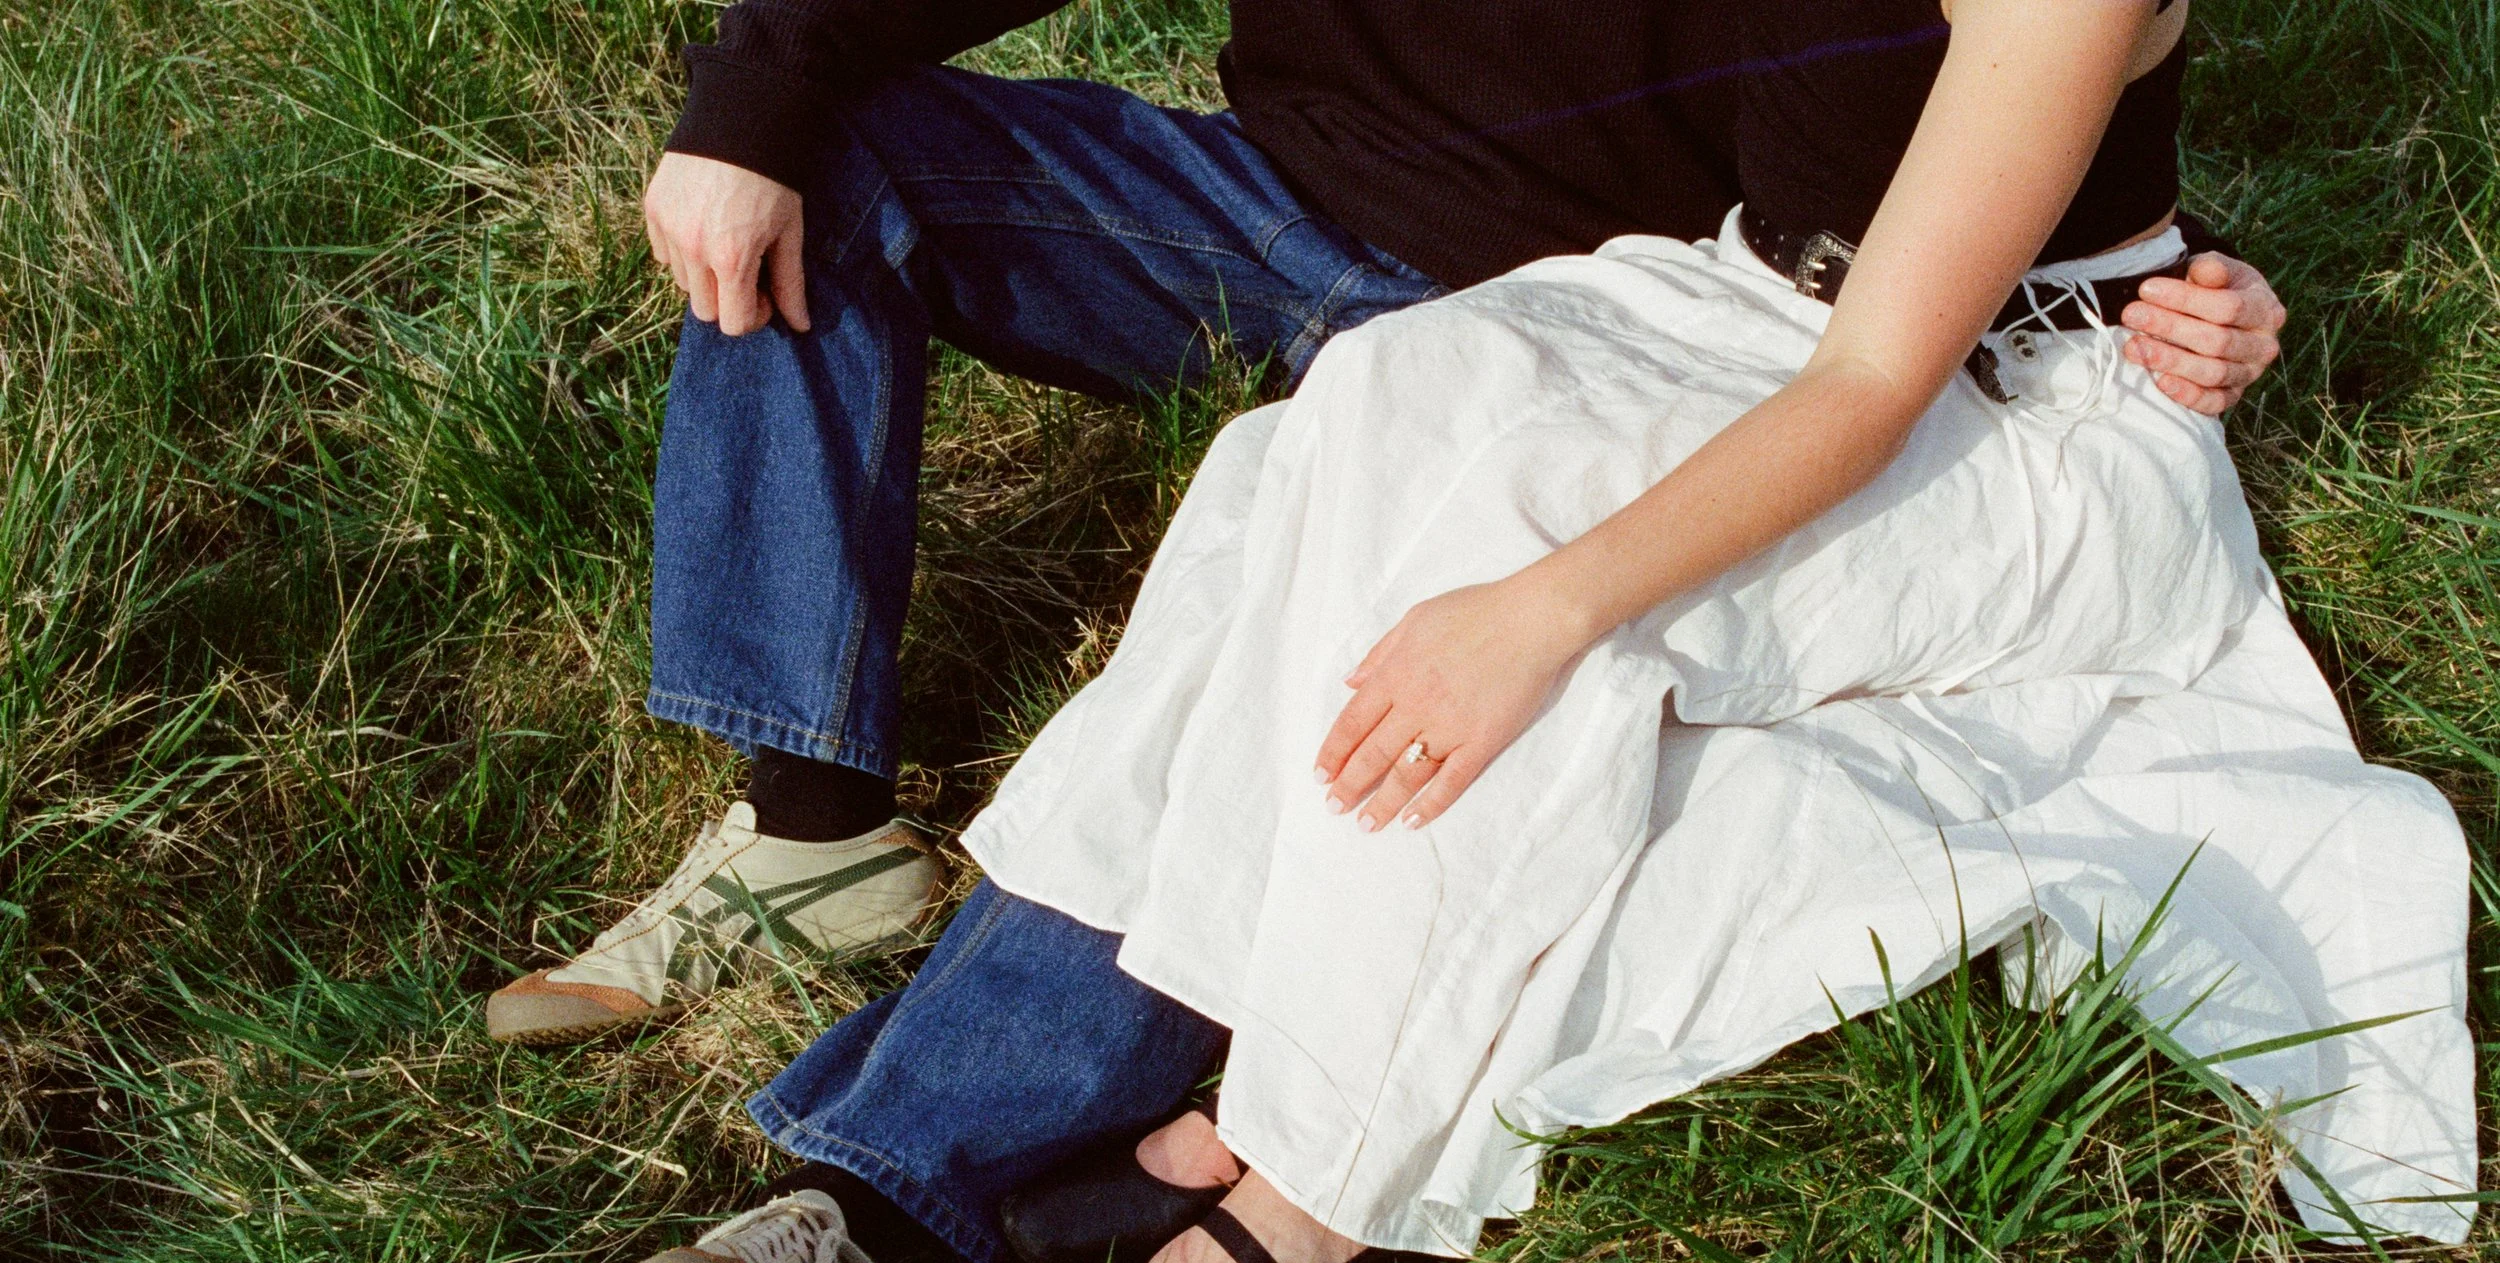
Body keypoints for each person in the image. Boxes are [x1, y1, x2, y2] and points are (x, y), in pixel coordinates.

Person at [584, 0, 2480, 1263]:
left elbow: (1919, 308)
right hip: (1732, 301)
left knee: (1504, 585)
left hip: (1980, 416)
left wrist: (1545, 610)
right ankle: (1117, 1042)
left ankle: (1321, 1184)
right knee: (1335, 446)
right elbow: (1922, 147)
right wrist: (765, 79)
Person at [479, 0, 2291, 1048]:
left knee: (1344, 711)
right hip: (1253, 210)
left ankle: (1126, 1072)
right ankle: (812, 834)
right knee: (822, 154)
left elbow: (1936, 109)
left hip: (1571, 321)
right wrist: (755, 94)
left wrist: (2155, 279)